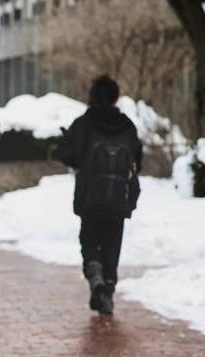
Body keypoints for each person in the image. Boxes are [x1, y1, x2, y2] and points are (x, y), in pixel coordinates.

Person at [55, 75, 141, 315]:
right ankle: (108, 288)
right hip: (119, 198)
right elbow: (138, 159)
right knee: (113, 243)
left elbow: (66, 153)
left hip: (90, 196)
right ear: (115, 96)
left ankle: (96, 278)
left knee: (89, 240)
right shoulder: (126, 125)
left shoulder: (84, 124)